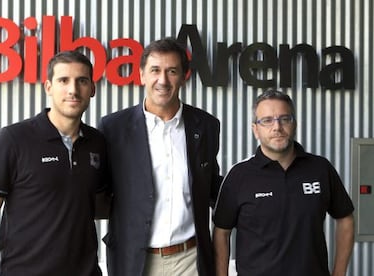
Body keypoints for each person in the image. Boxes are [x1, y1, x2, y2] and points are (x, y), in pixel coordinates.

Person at [0, 50, 107, 276]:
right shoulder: (15, 139)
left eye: (81, 81)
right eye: (63, 80)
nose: (73, 90)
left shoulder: (97, 143)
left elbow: (99, 205)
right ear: (48, 87)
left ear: (92, 89)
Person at [98, 38, 222, 276]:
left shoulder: (206, 126)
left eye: (172, 71)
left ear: (184, 76)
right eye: (155, 70)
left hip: (190, 260)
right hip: (136, 261)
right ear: (142, 74)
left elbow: (211, 186)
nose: (162, 80)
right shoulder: (113, 128)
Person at [213, 89, 355, 276]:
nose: (277, 127)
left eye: (284, 119)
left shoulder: (320, 169)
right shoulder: (239, 176)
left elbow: (345, 218)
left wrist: (339, 273)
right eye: (267, 120)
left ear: (294, 124)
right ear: (255, 129)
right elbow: (221, 233)